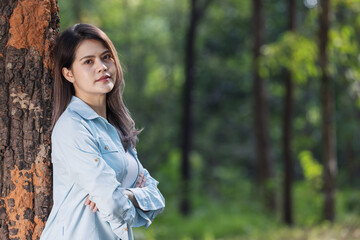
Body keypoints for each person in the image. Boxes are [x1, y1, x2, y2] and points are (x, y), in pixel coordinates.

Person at [40, 23, 165, 240]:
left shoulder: (116, 129)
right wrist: (127, 199)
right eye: (89, 61)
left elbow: (157, 198)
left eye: (106, 57)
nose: (102, 66)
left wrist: (126, 194)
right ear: (69, 74)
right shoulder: (72, 127)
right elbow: (113, 204)